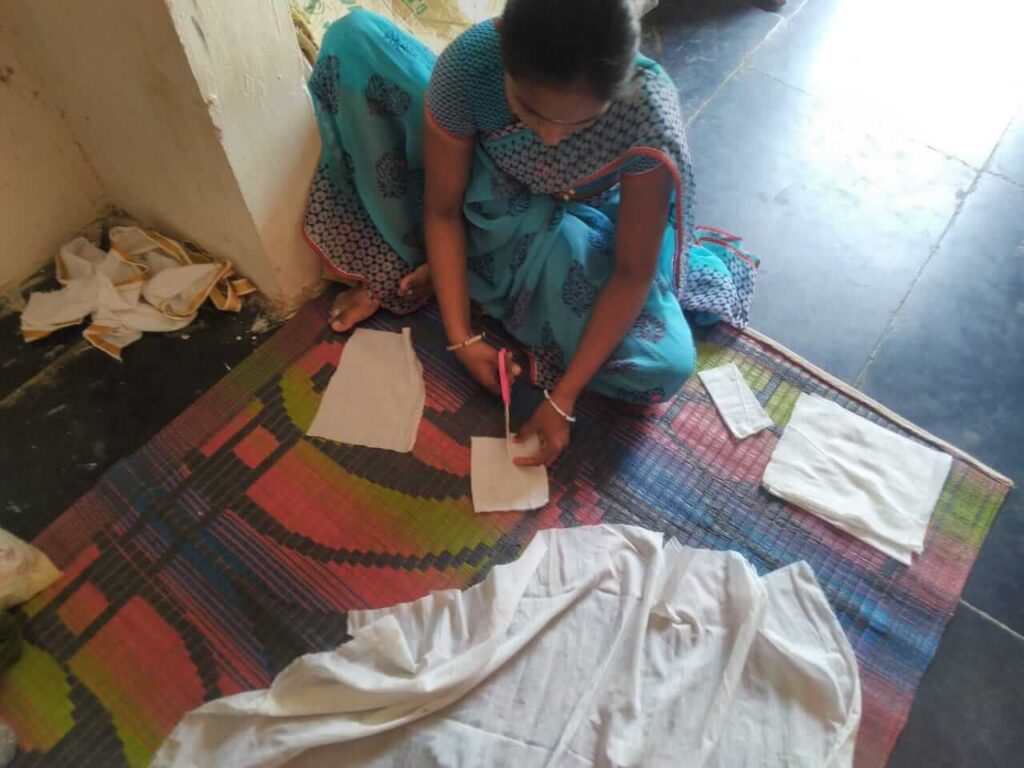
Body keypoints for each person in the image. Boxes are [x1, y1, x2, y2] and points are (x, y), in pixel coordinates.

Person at [303, 0, 758, 467]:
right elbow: (442, 211)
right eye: (529, 111)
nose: (551, 138)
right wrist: (460, 339)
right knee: (355, 42)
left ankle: (451, 273)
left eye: (581, 122)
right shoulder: (472, 64)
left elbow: (631, 270)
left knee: (662, 365)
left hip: (577, 227)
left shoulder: (646, 112)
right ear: (505, 54)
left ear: (617, 90)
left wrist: (563, 399)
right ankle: (447, 272)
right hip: (483, 192)